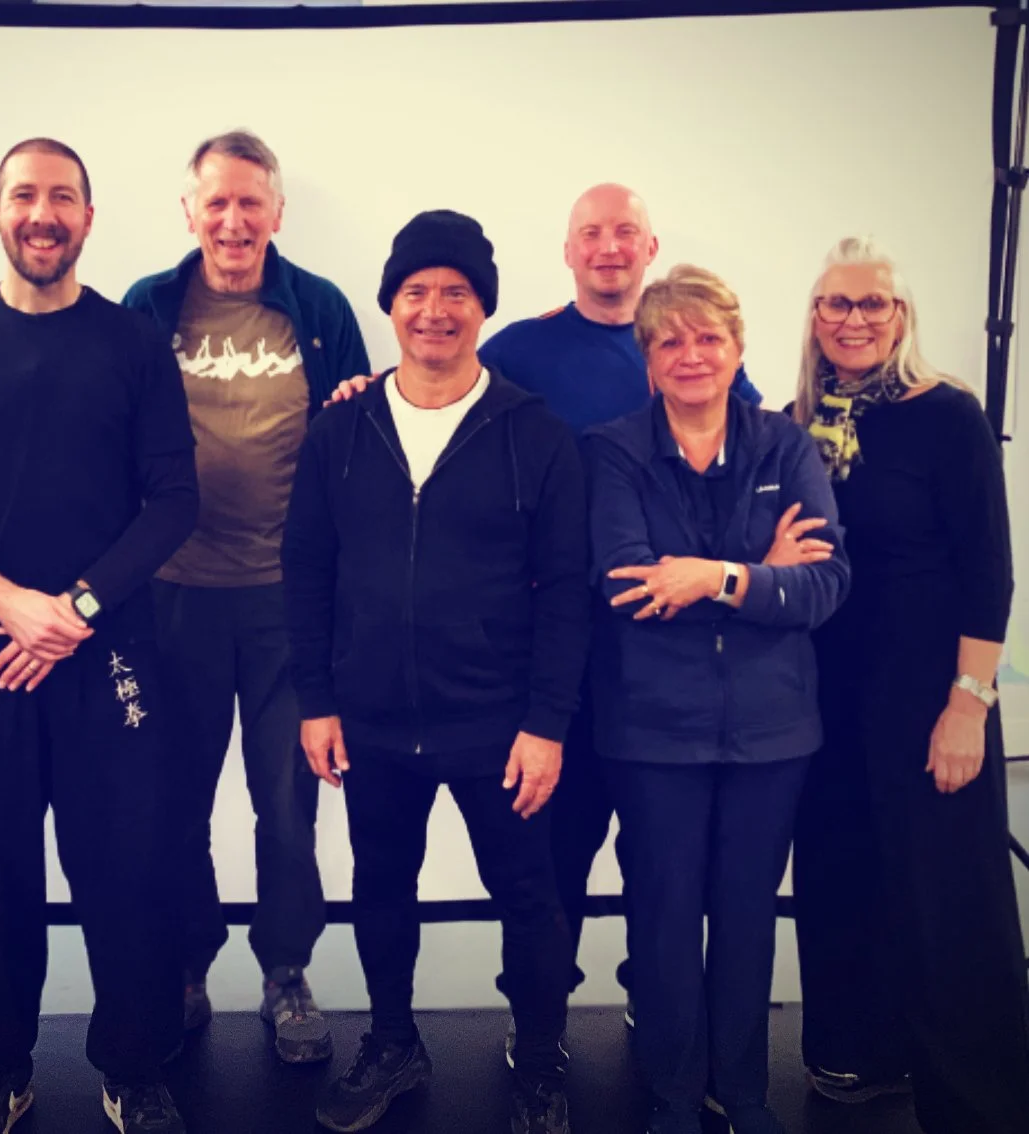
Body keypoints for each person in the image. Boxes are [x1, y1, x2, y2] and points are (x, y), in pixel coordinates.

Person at [327, 185, 762, 1032]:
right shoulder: (524, 348)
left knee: (658, 852)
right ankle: (541, 1034)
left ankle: (659, 1014)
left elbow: (745, 464)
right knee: (549, 855)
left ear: (649, 245)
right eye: (590, 234)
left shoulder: (692, 351)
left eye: (624, 233)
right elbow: (435, 383)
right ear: (566, 251)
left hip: (664, 658)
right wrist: (362, 391)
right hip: (548, 653)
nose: (608, 248)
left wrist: (755, 564)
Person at [0, 138, 199, 1134]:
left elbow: (171, 501)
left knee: (130, 863)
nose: (42, 212)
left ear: (88, 219)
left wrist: (72, 610)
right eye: (24, 194)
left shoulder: (133, 342)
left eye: (61, 197)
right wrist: (3, 600)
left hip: (103, 649)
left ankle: (134, 1059)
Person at [284, 210, 585, 1134]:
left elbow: (567, 589)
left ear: (482, 307)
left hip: (497, 723)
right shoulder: (342, 430)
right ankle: (391, 1042)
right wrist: (315, 701)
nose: (434, 310)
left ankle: (537, 1058)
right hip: (371, 717)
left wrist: (546, 723)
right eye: (415, 292)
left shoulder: (533, 434)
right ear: (390, 306)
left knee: (530, 900)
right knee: (380, 887)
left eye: (455, 291)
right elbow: (307, 569)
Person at [122, 129, 370, 1062]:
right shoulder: (148, 307)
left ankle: (285, 971)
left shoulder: (318, 306)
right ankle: (188, 964)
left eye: (249, 202)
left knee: (286, 804)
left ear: (276, 212)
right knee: (174, 801)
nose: (232, 220)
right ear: (188, 211)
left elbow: (355, 435)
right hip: (173, 595)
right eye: (214, 202)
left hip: (287, 601)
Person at [585, 265, 850, 1134]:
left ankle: (740, 1093)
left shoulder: (783, 445)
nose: (691, 355)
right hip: (651, 732)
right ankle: (668, 1096)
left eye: (708, 338)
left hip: (773, 732)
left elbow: (822, 589)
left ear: (737, 350)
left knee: (744, 921)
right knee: (661, 924)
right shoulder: (614, 450)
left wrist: (714, 575)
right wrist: (761, 567)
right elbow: (628, 585)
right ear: (648, 357)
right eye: (670, 340)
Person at [789, 237, 1029, 1132]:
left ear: (901, 317)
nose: (853, 319)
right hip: (825, 701)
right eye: (836, 304)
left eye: (872, 304)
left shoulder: (948, 415)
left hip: (931, 699)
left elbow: (987, 571)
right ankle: (856, 1056)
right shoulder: (794, 418)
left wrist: (968, 706)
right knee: (839, 876)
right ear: (813, 319)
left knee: (946, 900)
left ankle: (977, 1100)